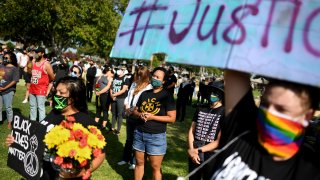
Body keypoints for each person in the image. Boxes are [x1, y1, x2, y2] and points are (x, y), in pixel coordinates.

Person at [209, 70, 320, 179]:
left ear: (307, 116)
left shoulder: (311, 171)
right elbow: (236, 64)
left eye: (281, 109)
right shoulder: (242, 131)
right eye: (265, 104)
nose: (269, 113)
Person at [6, 76, 106, 179]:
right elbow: (38, 136)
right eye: (56, 91)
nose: (56, 95)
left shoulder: (85, 121)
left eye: (61, 93)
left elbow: (100, 155)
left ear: (74, 97)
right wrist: (18, 141)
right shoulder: (54, 113)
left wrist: (80, 172)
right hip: (44, 173)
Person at [132, 67, 176, 180]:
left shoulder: (167, 96)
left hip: (156, 136)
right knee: (139, 163)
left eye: (158, 77)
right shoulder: (144, 94)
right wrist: (139, 114)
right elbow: (135, 110)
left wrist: (152, 117)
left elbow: (172, 118)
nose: (154, 78)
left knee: (155, 167)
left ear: (164, 81)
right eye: (154, 76)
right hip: (139, 133)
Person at [117, 65, 152, 170]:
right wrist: (127, 106)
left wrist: (134, 109)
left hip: (138, 114)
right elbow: (128, 97)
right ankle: (125, 158)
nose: (139, 77)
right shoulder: (133, 84)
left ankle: (134, 161)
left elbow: (144, 102)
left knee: (137, 140)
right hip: (129, 114)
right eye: (138, 75)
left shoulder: (148, 87)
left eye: (141, 75)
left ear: (146, 75)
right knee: (129, 139)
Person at [188, 87, 225, 180]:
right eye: (212, 92)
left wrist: (197, 150)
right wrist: (192, 151)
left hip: (212, 156)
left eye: (216, 93)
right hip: (194, 154)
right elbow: (191, 131)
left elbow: (218, 141)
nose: (212, 95)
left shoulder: (225, 112)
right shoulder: (201, 108)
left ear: (221, 96)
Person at [29, 47, 55, 121]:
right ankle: (32, 122)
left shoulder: (46, 64)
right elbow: (30, 72)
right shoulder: (34, 62)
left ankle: (41, 125)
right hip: (32, 89)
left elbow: (52, 77)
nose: (36, 54)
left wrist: (47, 86)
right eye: (35, 52)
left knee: (41, 108)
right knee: (32, 107)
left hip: (41, 90)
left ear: (42, 53)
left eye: (38, 52)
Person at [0, 51, 20, 128]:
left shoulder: (14, 68)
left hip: (8, 91)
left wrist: (4, 88)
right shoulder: (1, 66)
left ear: (11, 59)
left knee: (8, 107)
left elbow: (15, 80)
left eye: (6, 58)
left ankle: (10, 122)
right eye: (4, 57)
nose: (4, 59)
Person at [110, 66, 130, 135]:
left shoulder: (126, 79)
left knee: (120, 114)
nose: (118, 70)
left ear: (123, 71)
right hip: (113, 98)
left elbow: (123, 90)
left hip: (121, 98)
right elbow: (111, 87)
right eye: (118, 69)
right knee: (113, 114)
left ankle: (118, 130)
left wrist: (114, 95)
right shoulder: (114, 77)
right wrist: (111, 95)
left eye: (120, 69)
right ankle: (112, 128)